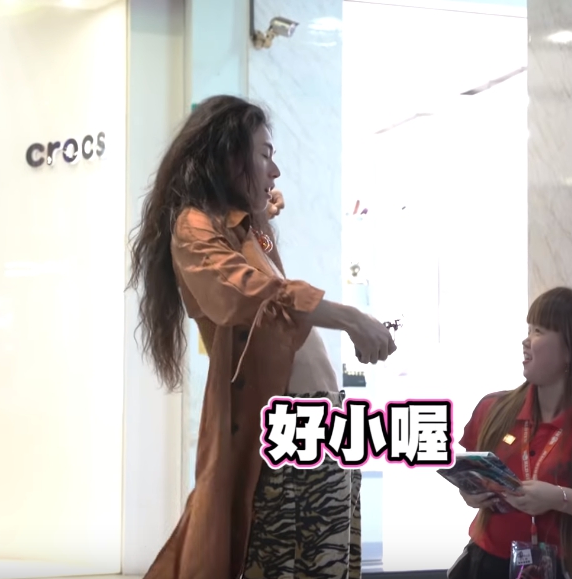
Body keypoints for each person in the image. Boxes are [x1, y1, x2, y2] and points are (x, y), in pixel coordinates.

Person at [128, 95, 396, 579]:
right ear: (229, 157)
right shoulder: (194, 227)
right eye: (264, 155)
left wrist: (260, 212)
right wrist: (351, 319)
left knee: (328, 563)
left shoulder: (243, 228)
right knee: (285, 563)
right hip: (282, 434)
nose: (275, 171)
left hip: (322, 425)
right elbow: (251, 293)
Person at [452, 287, 572, 579]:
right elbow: (470, 472)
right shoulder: (492, 408)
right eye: (528, 329)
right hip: (484, 562)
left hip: (558, 566)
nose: (525, 341)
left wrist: (558, 498)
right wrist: (470, 493)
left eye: (538, 331)